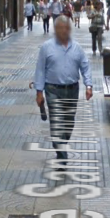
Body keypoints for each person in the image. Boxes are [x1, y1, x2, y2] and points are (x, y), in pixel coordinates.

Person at [34, 14, 94, 163]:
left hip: (72, 90)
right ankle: (62, 156)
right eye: (60, 28)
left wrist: (89, 85)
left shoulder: (77, 48)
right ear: (55, 29)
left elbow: (85, 67)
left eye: (66, 28)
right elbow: (40, 70)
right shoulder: (46, 47)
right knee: (56, 122)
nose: (63, 31)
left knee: (68, 122)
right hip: (53, 90)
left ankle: (62, 144)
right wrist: (39, 92)